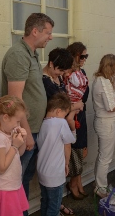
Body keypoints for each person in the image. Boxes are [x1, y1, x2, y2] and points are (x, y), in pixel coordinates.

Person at [1, 13, 54, 215]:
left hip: (34, 128)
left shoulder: (30, 53)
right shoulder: (18, 55)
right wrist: (27, 133)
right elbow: (15, 100)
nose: (50, 37)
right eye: (48, 33)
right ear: (35, 31)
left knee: (26, 176)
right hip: (24, 131)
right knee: (17, 179)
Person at [42, 47, 79, 215]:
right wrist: (74, 108)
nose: (63, 74)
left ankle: (56, 207)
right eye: (60, 70)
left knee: (48, 199)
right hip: (59, 131)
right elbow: (69, 144)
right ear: (51, 64)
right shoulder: (45, 81)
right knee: (52, 202)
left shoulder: (57, 79)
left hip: (55, 130)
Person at [0, 95, 29, 216]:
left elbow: (20, 153)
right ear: (5, 117)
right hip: (4, 189)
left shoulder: (10, 131)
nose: (19, 124)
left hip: (13, 186)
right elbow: (1, 168)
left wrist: (22, 140)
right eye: (17, 121)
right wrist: (14, 146)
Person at [37, 93, 76, 216]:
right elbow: (69, 143)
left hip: (42, 172)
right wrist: (67, 163)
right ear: (59, 111)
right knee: (54, 207)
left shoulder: (42, 123)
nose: (64, 118)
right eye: (65, 115)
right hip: (55, 174)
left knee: (45, 201)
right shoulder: (61, 123)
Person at [92, 54, 115, 197]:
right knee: (105, 158)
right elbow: (110, 107)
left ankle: (99, 185)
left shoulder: (103, 80)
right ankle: (101, 188)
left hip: (106, 122)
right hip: (106, 123)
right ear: (110, 67)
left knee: (103, 156)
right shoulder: (103, 81)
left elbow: (110, 100)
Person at [65, 42, 90, 200]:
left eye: (86, 56)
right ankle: (73, 183)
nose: (84, 59)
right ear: (74, 55)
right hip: (71, 113)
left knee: (81, 148)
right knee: (74, 148)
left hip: (81, 113)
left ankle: (78, 180)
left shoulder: (83, 72)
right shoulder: (67, 74)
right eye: (82, 56)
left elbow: (85, 96)